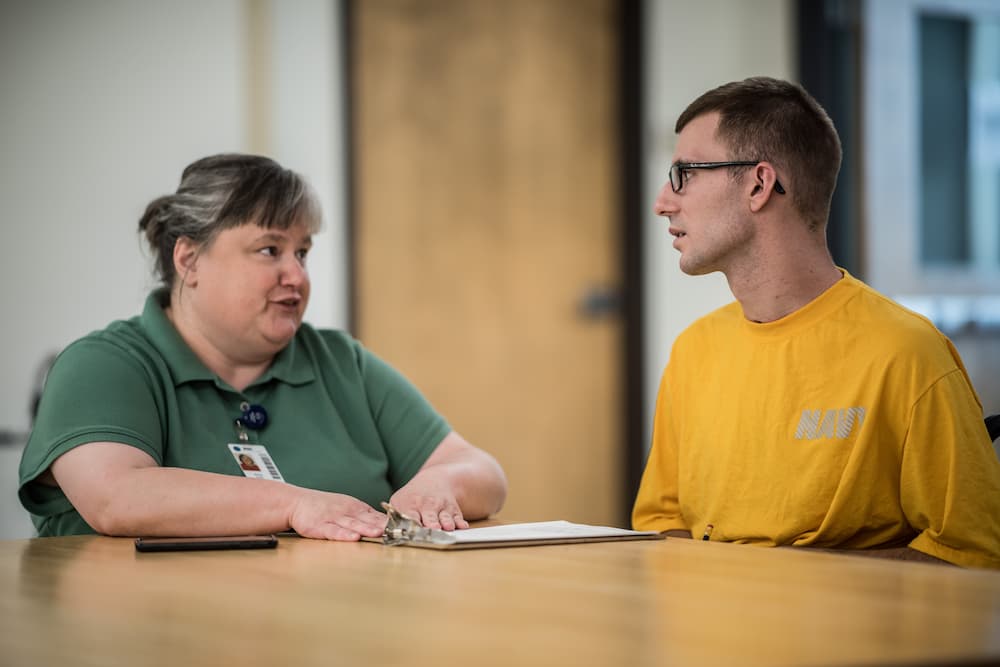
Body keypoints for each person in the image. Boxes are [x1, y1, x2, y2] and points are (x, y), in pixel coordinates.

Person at [19, 153, 507, 540]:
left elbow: (481, 471)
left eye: (303, 252)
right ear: (189, 259)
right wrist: (294, 504)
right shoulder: (102, 364)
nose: (296, 276)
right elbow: (116, 497)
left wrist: (437, 486)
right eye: (269, 250)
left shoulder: (341, 362)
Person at [632, 76, 1000, 568]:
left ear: (759, 184)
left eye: (685, 174)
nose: (663, 201)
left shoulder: (906, 354)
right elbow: (662, 523)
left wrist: (788, 588)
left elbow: (969, 552)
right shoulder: (693, 351)